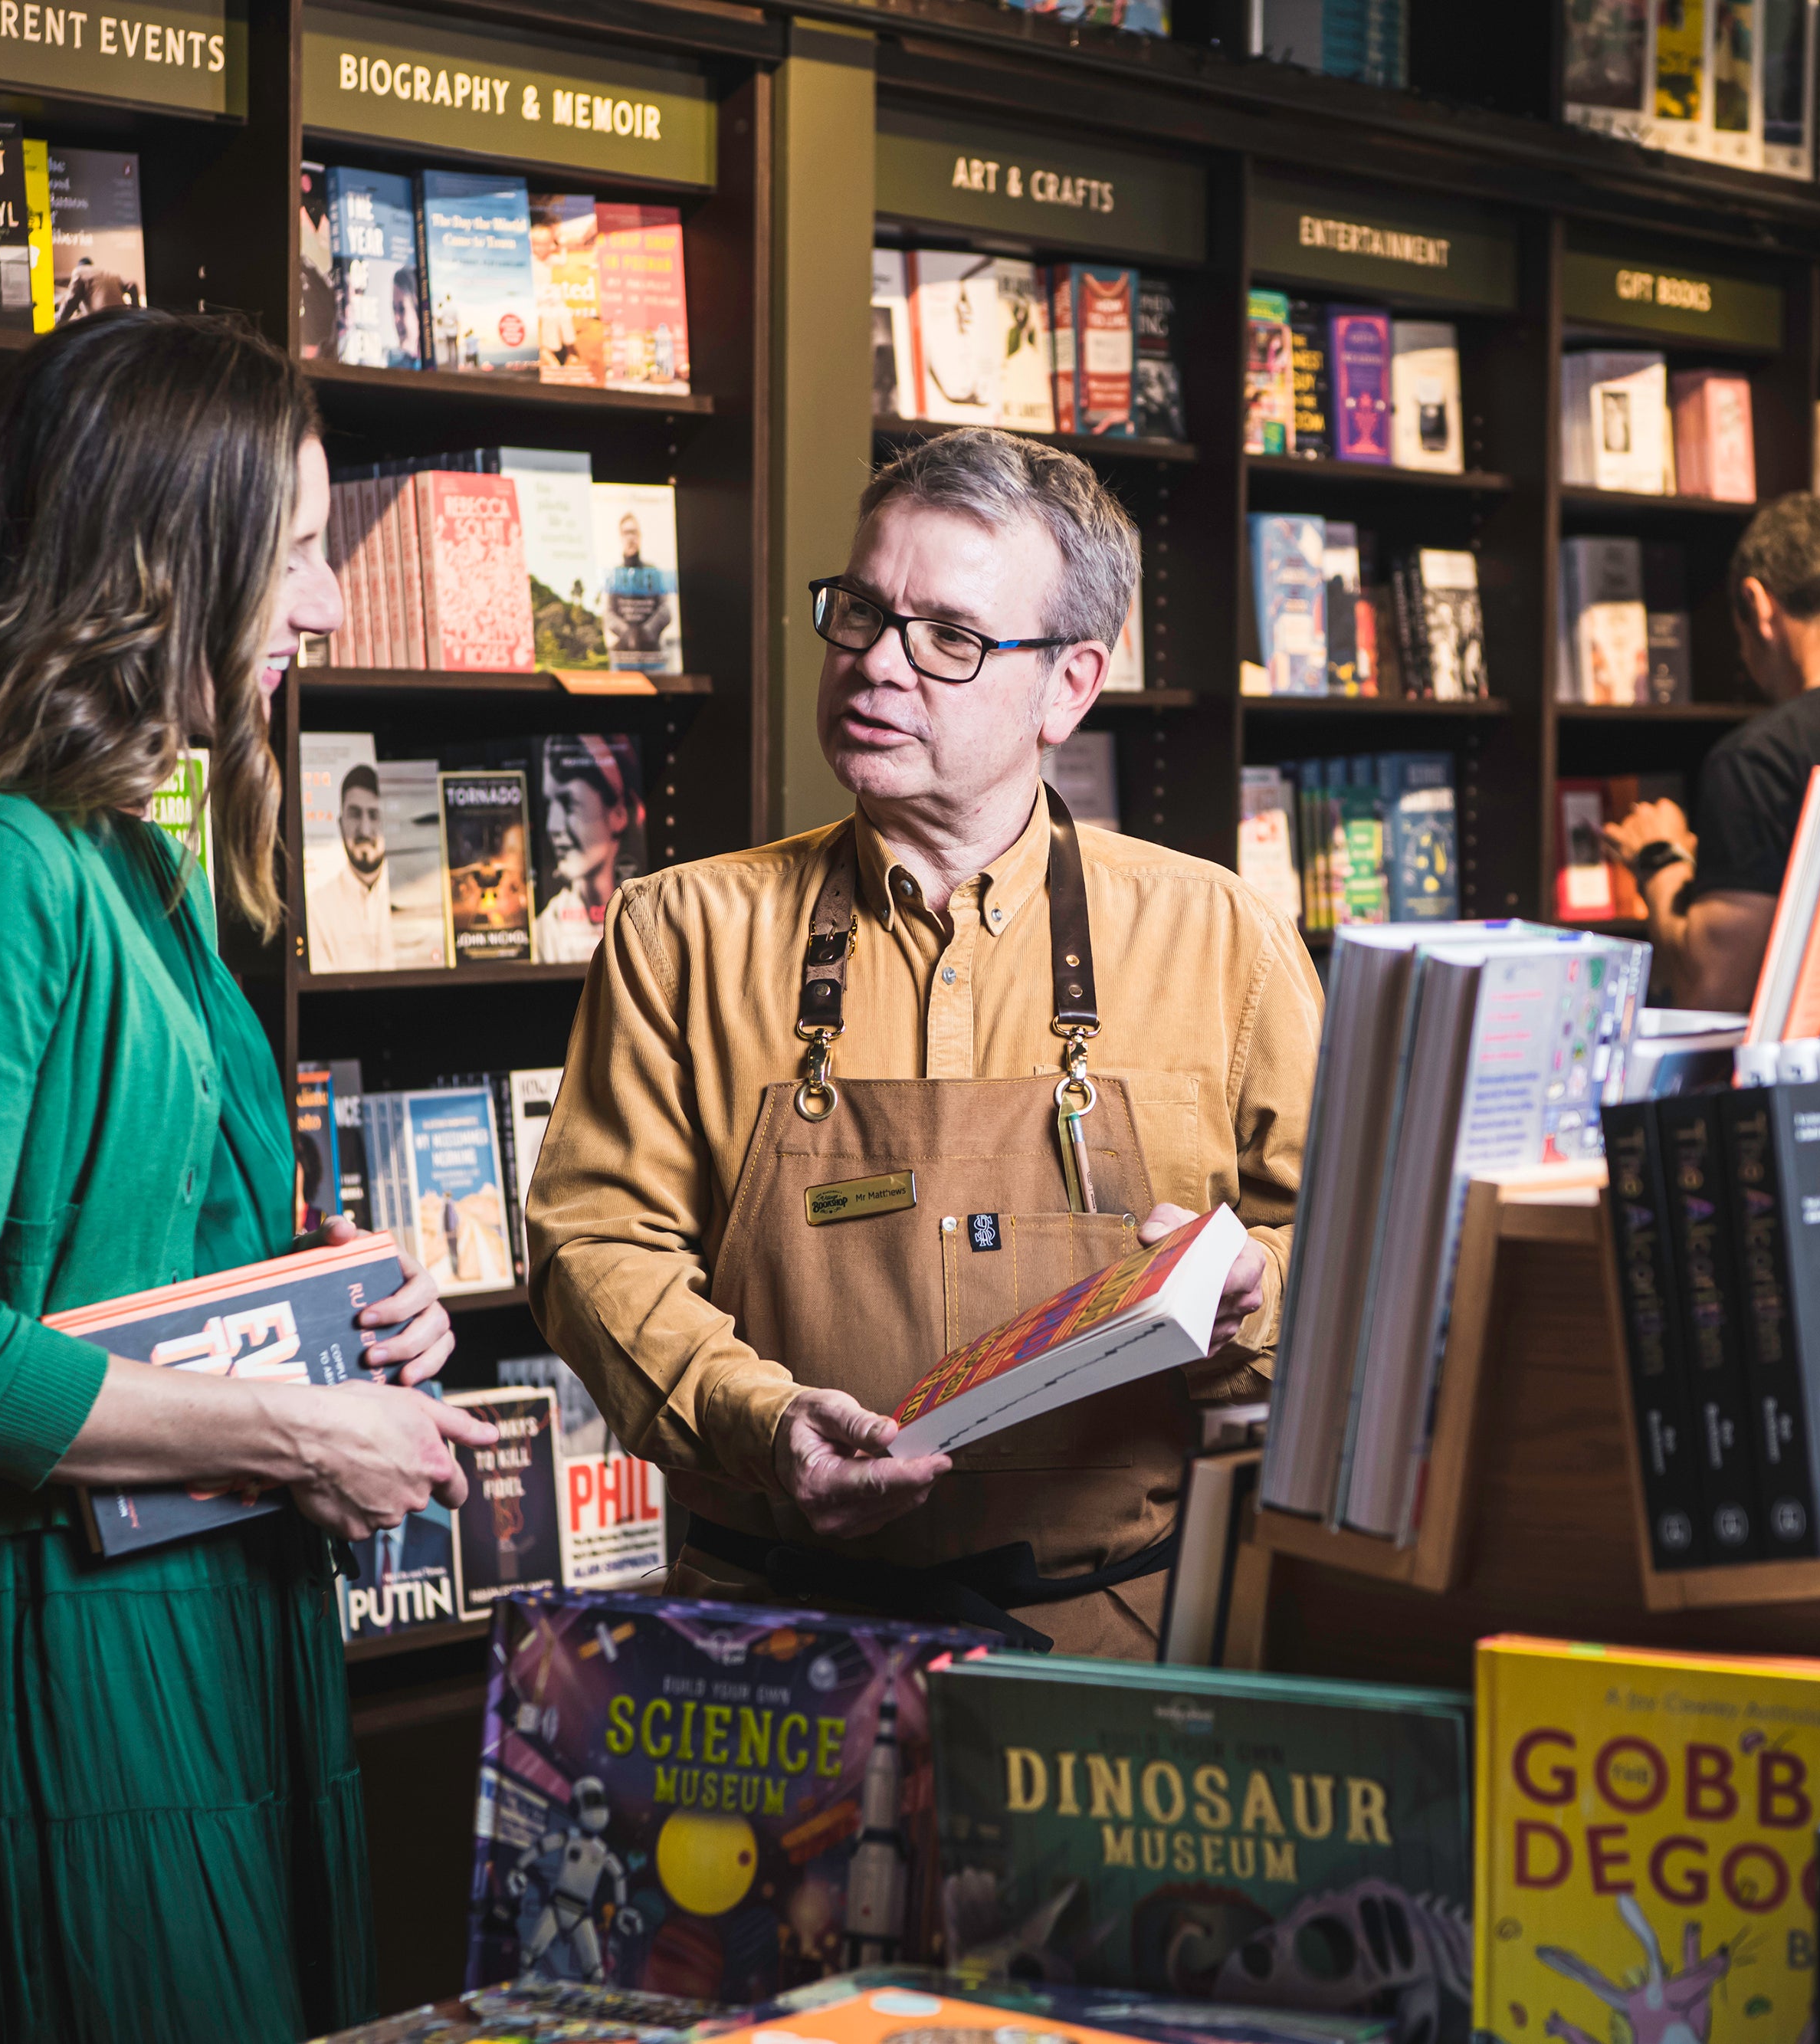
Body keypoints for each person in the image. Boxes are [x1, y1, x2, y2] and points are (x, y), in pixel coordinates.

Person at [0, 310, 497, 2043]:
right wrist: (303, 1434)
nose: (323, 607)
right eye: (300, 551)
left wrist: (338, 1304)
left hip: (205, 1617)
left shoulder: (131, 855)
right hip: (69, 1649)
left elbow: (133, 1252)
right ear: (161, 559)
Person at [526, 426, 1323, 1658]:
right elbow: (594, 1241)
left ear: (1072, 683)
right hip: (767, 1651)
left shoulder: (1221, 937)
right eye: (858, 612)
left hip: (1102, 1646)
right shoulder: (680, 928)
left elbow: (1346, 1259)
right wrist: (761, 1418)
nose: (877, 665)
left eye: (949, 636)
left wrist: (1255, 1295)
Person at [1602, 494, 1820, 1012]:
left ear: (1758, 606)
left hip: (1811, 1084)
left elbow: (1715, 986)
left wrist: (1658, 857)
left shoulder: (1758, 759)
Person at [531, 738, 638, 964]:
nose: (553, 826)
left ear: (618, 814)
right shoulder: (543, 935)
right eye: (550, 805)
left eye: (568, 803)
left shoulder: (646, 923)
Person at [307, 762, 392, 971]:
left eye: (374, 815)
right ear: (340, 823)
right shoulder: (316, 908)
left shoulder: (415, 897)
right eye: (355, 814)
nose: (364, 829)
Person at [600, 512, 676, 666]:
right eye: (626, 533)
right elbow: (608, 614)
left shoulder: (654, 572)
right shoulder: (615, 574)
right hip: (623, 657)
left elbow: (666, 610)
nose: (631, 537)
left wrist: (646, 631)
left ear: (640, 536)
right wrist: (626, 632)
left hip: (654, 656)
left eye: (634, 532)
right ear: (620, 537)